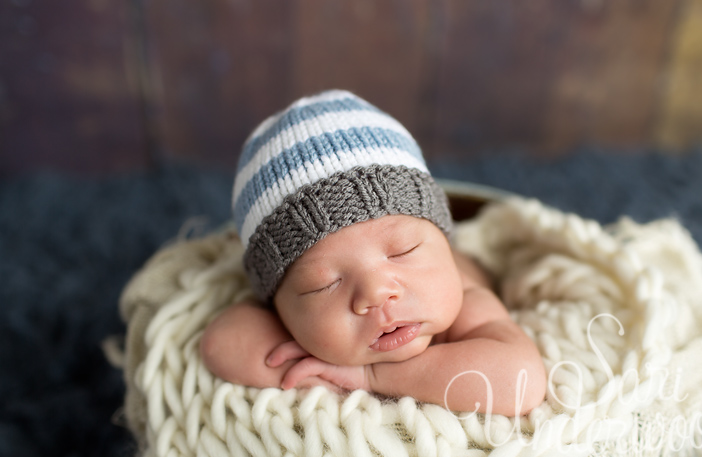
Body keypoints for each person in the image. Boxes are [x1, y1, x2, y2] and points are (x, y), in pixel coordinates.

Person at [200, 90, 546, 417]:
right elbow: (221, 344)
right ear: (278, 306)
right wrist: (312, 363)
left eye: (402, 252)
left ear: (443, 240)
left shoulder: (468, 301)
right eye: (325, 284)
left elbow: (521, 382)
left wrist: (370, 377)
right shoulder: (293, 319)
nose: (377, 293)